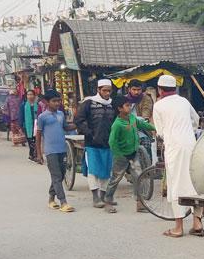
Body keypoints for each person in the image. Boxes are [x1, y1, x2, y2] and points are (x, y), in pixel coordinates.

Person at [152, 75, 204, 237]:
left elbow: (160, 131)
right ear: (175, 88)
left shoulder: (159, 105)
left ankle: (178, 227)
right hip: (191, 145)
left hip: (174, 147)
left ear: (160, 90)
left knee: (176, 184)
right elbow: (195, 120)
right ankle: (197, 223)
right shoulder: (183, 101)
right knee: (194, 183)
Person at [105, 95, 156, 214]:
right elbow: (112, 142)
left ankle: (140, 203)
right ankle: (108, 200)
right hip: (121, 156)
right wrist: (118, 154)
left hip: (134, 153)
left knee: (138, 177)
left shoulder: (132, 118)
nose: (130, 107)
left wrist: (154, 127)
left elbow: (142, 124)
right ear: (120, 109)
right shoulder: (117, 124)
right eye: (127, 105)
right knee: (115, 179)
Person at [75, 79, 116, 207]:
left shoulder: (112, 104)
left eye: (109, 91)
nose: (107, 93)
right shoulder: (88, 103)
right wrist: (89, 133)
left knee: (106, 170)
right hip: (92, 143)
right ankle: (95, 197)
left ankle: (103, 197)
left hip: (108, 143)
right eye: (104, 90)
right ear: (98, 90)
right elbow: (78, 120)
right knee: (93, 170)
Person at [35, 90, 75, 213]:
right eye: (54, 101)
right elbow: (38, 135)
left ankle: (51, 199)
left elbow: (66, 127)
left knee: (61, 174)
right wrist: (39, 153)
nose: (57, 103)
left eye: (59, 100)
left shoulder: (61, 114)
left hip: (62, 149)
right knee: (57, 176)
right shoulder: (42, 117)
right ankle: (63, 202)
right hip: (50, 151)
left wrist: (78, 124)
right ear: (47, 102)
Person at [19, 89, 41, 162]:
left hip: (36, 125)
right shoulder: (23, 105)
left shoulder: (37, 105)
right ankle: (32, 155)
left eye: (31, 94)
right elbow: (21, 116)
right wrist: (20, 126)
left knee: (36, 140)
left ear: (34, 96)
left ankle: (33, 155)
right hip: (27, 126)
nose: (30, 96)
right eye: (28, 94)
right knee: (30, 141)